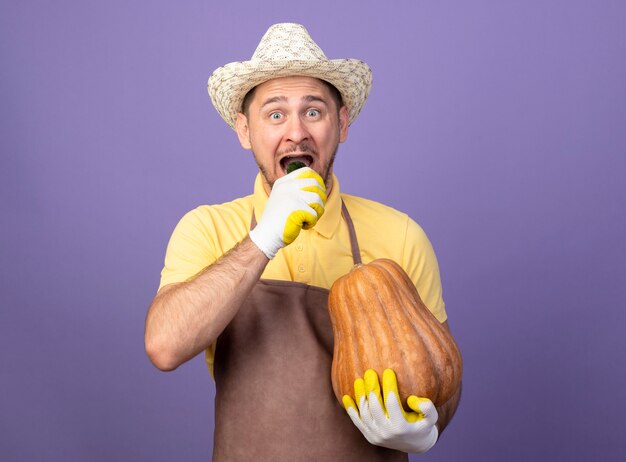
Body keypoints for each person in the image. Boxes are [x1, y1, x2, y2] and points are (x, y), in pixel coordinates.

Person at [145, 23, 461, 461]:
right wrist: (263, 239)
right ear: (244, 131)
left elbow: (439, 375)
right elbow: (163, 345)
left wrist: (425, 431)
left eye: (313, 111)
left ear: (342, 123)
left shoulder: (400, 233)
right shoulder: (207, 228)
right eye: (275, 114)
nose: (296, 132)